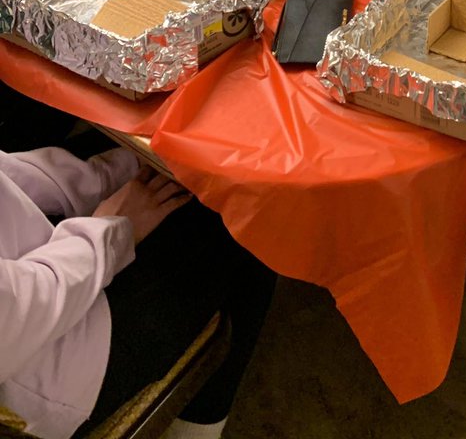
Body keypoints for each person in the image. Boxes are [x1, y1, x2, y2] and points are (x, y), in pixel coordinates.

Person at [1, 145, 275, 439]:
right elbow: (21, 311)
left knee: (207, 168)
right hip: (46, 371)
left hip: (40, 277)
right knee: (253, 207)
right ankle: (195, 429)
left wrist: (122, 167)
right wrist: (110, 231)